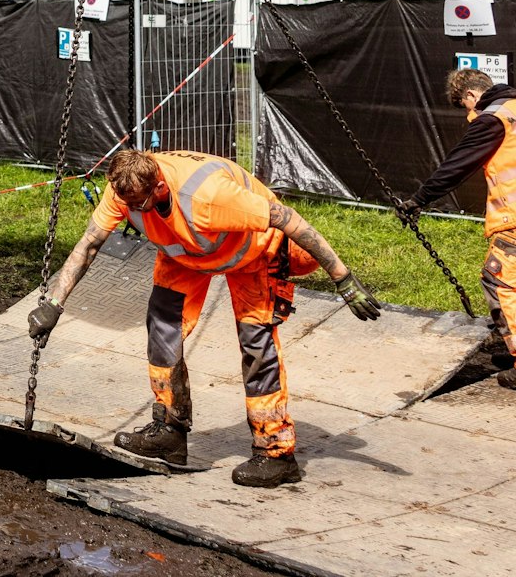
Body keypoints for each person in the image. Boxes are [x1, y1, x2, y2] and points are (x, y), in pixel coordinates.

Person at [27, 148, 382, 488]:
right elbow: (89, 244)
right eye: (128, 204)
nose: (132, 210)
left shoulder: (211, 196)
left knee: (256, 346)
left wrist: (343, 279)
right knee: (162, 330)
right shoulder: (124, 188)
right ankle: (169, 431)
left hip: (254, 256)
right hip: (184, 258)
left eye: (140, 204)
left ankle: (276, 454)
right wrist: (54, 304)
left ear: (160, 187)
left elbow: (289, 219)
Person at [399, 68, 516, 391]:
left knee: (500, 281)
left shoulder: (493, 119)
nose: (469, 113)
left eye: (465, 106)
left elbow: (458, 164)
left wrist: (419, 199)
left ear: (470, 96)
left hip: (514, 220)